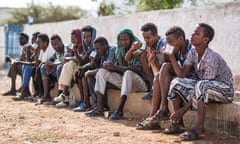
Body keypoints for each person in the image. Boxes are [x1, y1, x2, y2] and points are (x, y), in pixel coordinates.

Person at [163, 23, 234, 141]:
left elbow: (203, 87)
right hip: (207, 87)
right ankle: (178, 124)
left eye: (197, 34)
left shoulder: (211, 58)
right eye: (193, 32)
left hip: (225, 90)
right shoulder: (192, 52)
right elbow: (182, 74)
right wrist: (171, 57)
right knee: (177, 82)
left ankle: (199, 129)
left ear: (205, 40)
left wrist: (183, 109)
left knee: (201, 84)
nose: (192, 35)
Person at [136, 26, 197, 130]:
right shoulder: (176, 48)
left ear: (181, 39)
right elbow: (164, 70)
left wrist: (171, 56)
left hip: (194, 82)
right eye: (167, 43)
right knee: (157, 77)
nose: (168, 46)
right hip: (182, 78)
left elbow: (183, 75)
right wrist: (158, 61)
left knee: (171, 79)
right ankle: (154, 115)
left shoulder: (191, 49)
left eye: (170, 43)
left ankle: (164, 111)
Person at [85, 29, 149, 119]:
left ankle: (119, 110)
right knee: (101, 72)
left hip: (140, 83)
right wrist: (111, 67)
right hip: (124, 83)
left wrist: (115, 68)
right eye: (121, 40)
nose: (123, 42)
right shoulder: (120, 51)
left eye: (126, 39)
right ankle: (99, 107)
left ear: (131, 39)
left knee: (128, 73)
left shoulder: (139, 48)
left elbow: (138, 69)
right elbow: (119, 69)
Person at [54, 29, 92, 107]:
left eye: (74, 39)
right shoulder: (73, 46)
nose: (73, 41)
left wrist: (72, 56)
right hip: (76, 67)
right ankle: (64, 96)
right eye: (71, 39)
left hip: (82, 67)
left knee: (70, 64)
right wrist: (71, 54)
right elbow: (69, 57)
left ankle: (64, 94)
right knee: (62, 66)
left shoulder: (84, 47)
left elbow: (81, 60)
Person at [83, 37, 116, 116]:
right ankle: (96, 105)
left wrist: (90, 72)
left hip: (117, 76)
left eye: (98, 49)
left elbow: (107, 68)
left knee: (92, 74)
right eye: (95, 49)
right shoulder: (102, 53)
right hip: (106, 76)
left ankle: (100, 108)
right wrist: (93, 61)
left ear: (105, 46)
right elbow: (100, 68)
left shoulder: (112, 50)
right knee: (91, 77)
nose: (96, 51)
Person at [136, 23, 166, 100]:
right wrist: (134, 49)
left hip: (166, 70)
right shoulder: (148, 45)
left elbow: (168, 54)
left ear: (156, 35)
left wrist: (155, 53)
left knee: (153, 56)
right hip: (157, 70)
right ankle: (154, 86)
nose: (146, 40)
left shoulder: (164, 42)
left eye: (148, 38)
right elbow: (132, 55)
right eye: (144, 38)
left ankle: (156, 88)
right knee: (143, 56)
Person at [73, 25, 96, 110]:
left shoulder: (95, 47)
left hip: (98, 70)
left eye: (88, 37)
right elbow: (82, 61)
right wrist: (75, 52)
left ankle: (86, 103)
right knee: (79, 74)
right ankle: (83, 101)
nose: (86, 39)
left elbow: (92, 64)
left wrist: (82, 67)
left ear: (93, 36)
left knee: (83, 73)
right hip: (90, 70)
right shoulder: (87, 48)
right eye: (84, 37)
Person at [40, 34, 65, 102]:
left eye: (56, 44)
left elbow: (64, 62)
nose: (55, 46)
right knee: (43, 67)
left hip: (67, 73)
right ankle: (46, 95)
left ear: (61, 42)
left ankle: (61, 94)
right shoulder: (56, 52)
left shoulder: (66, 49)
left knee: (59, 68)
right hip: (58, 72)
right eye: (53, 45)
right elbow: (51, 59)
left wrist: (52, 64)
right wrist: (48, 64)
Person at [34, 33, 55, 102]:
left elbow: (44, 64)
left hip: (51, 72)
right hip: (46, 71)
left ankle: (45, 95)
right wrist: (36, 52)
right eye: (37, 43)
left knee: (40, 69)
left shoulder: (49, 50)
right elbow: (37, 63)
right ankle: (40, 93)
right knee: (35, 70)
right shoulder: (42, 50)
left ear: (45, 43)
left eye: (39, 42)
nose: (38, 45)